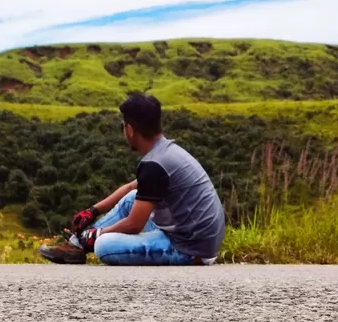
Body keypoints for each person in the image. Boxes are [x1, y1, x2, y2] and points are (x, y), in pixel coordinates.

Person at [38, 93, 226, 265]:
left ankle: (82, 243)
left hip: (189, 249)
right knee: (132, 198)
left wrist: (97, 235)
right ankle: (76, 246)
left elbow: (134, 224)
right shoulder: (166, 152)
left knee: (103, 245)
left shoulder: (154, 165)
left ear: (130, 130)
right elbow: (130, 188)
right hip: (197, 238)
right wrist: (93, 211)